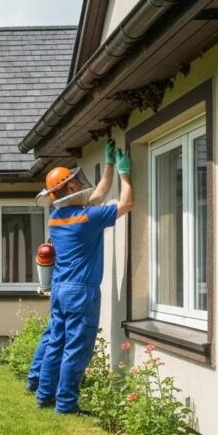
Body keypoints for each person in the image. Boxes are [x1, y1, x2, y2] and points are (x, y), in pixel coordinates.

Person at [35, 140, 133, 414]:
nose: (81, 184)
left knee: (56, 343)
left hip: (60, 288)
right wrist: (126, 174)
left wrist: (110, 166)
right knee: (75, 349)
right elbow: (126, 204)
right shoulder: (87, 218)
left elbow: (96, 197)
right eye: (76, 182)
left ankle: (44, 396)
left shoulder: (56, 218)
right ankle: (66, 404)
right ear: (72, 187)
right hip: (81, 293)